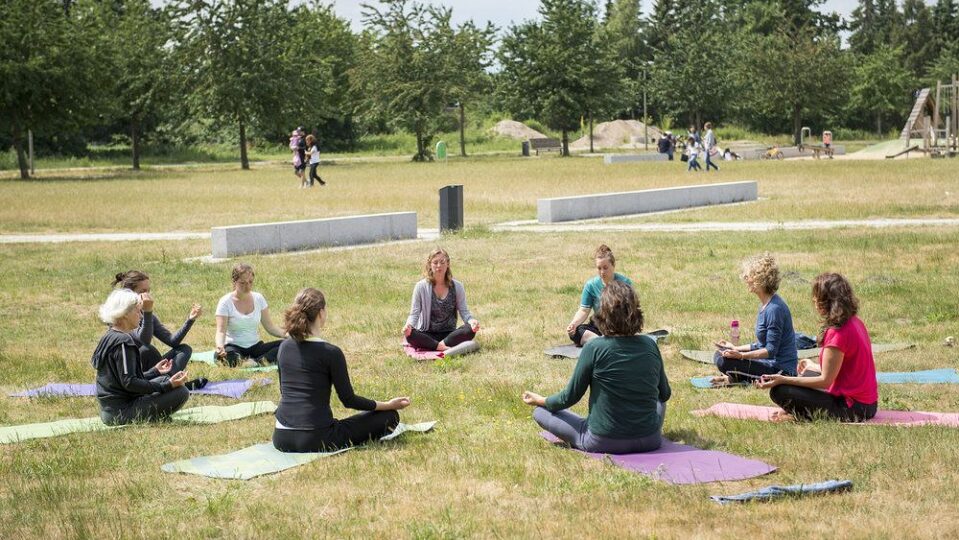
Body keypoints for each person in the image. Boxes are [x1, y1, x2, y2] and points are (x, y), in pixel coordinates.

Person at [523, 281, 670, 454]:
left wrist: (540, 400)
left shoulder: (594, 347)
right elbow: (664, 394)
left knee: (540, 413)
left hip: (603, 441)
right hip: (650, 440)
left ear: (603, 314)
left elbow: (568, 398)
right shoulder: (649, 344)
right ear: (636, 312)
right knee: (659, 402)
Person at [273, 288, 410, 452]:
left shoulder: (284, 347)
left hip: (280, 437)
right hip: (316, 439)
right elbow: (349, 400)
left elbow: (284, 391)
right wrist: (387, 405)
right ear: (321, 313)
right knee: (389, 417)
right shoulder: (331, 352)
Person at [756, 273, 878, 422]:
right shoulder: (855, 322)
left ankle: (799, 416)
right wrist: (813, 366)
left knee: (780, 391)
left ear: (825, 302)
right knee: (805, 375)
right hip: (868, 404)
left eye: (816, 297)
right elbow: (845, 369)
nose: (813, 300)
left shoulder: (838, 333)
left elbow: (825, 381)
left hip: (854, 408)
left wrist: (783, 379)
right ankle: (799, 411)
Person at [91, 288, 189, 425]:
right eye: (137, 311)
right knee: (181, 391)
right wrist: (167, 386)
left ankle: (153, 410)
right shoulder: (124, 343)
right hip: (119, 414)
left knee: (163, 378)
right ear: (124, 313)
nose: (141, 316)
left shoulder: (110, 336)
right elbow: (129, 383)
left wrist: (155, 371)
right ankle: (152, 417)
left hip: (111, 409)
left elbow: (123, 379)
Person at [713, 254, 798, 384]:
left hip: (781, 371)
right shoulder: (765, 305)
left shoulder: (775, 309)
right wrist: (735, 349)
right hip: (767, 363)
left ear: (760, 279)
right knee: (720, 354)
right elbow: (760, 345)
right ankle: (737, 375)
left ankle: (737, 376)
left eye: (749, 276)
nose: (746, 279)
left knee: (723, 362)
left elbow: (770, 350)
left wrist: (741, 356)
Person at [112, 270, 201, 374]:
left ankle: (167, 381)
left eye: (148, 291)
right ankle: (165, 383)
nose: (147, 295)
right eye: (142, 291)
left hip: (150, 369)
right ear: (129, 293)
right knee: (147, 350)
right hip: (130, 370)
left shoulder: (148, 315)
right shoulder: (121, 315)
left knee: (184, 349)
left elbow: (172, 341)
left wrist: (190, 320)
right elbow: (144, 341)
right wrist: (147, 312)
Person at [403, 248, 480, 352]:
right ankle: (441, 347)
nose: (439, 266)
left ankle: (438, 346)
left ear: (448, 263)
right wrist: (408, 326)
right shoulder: (420, 287)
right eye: (435, 262)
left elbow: (464, 312)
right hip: (427, 334)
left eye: (442, 262)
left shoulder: (458, 286)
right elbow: (414, 314)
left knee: (470, 330)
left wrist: (472, 321)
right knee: (410, 335)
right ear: (430, 264)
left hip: (449, 335)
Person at [214, 263, 285, 367]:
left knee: (287, 345)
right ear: (234, 282)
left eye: (250, 282)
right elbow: (220, 331)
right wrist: (220, 346)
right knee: (224, 357)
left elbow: (270, 327)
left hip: (256, 347)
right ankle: (258, 361)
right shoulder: (225, 302)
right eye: (242, 283)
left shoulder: (259, 298)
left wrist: (289, 335)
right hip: (234, 347)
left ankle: (255, 362)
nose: (247, 286)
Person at [567, 244, 633, 346]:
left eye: (605, 268)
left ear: (613, 265)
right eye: (599, 268)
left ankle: (601, 344)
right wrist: (574, 324)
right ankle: (604, 342)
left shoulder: (625, 283)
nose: (602, 272)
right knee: (576, 332)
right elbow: (584, 310)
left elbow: (631, 311)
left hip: (620, 325)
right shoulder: (591, 285)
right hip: (599, 326)